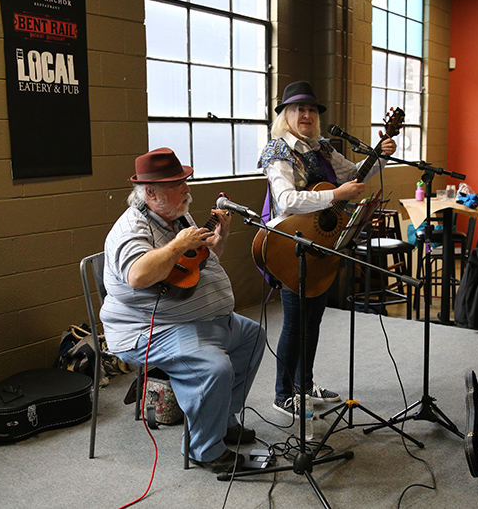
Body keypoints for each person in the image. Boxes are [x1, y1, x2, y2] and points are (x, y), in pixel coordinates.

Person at [99, 148, 266, 474]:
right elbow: (138, 274)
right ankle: (204, 449)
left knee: (253, 336)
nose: (187, 190)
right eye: (179, 185)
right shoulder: (131, 229)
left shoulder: (175, 215)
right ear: (150, 192)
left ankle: (223, 419)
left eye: (185, 182)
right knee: (215, 368)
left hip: (198, 319)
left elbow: (197, 260)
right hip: (150, 328)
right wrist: (177, 244)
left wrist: (221, 236)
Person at [258, 80, 397, 418]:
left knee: (314, 320)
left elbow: (355, 176)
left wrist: (381, 155)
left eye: (311, 110)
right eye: (298, 109)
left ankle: (304, 385)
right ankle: (282, 393)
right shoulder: (278, 150)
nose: (306, 115)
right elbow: (286, 200)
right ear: (286, 115)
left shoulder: (322, 148)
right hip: (291, 245)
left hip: (323, 242)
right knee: (295, 323)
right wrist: (336, 195)